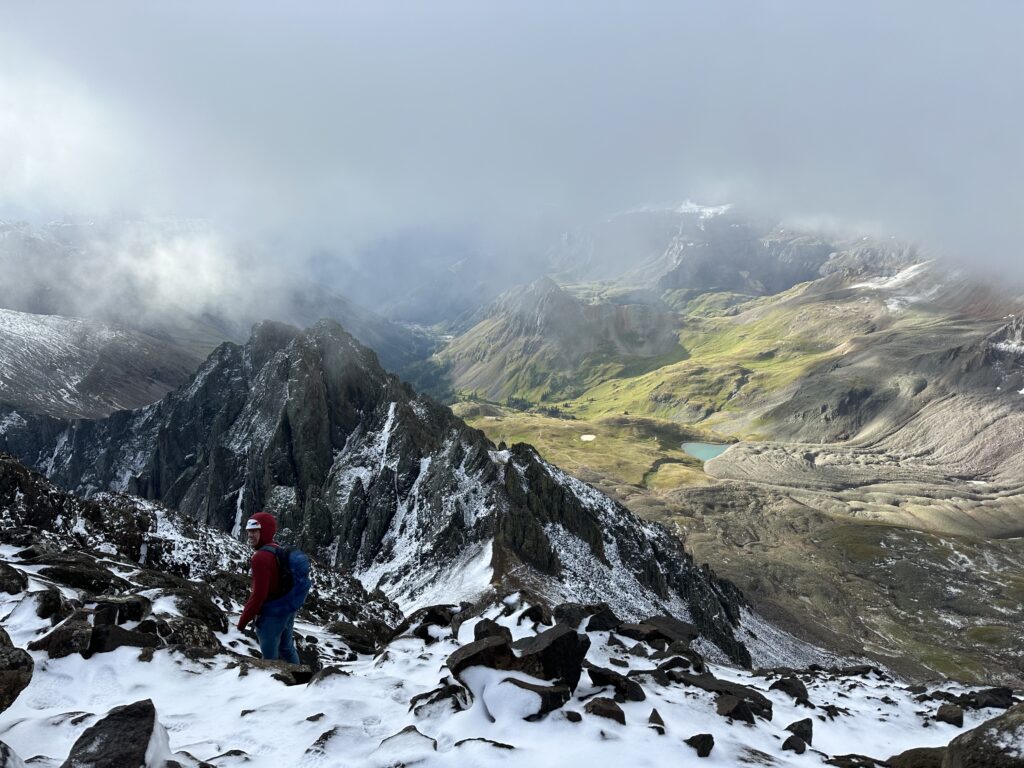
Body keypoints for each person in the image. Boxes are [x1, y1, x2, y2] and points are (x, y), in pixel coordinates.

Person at [237, 511, 300, 664]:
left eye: (254, 531)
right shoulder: (277, 549)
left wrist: (241, 624)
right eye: (248, 531)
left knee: (269, 660)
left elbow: (258, 596)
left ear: (264, 531)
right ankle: (301, 682)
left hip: (271, 615)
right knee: (287, 648)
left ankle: (272, 686)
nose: (250, 535)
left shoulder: (260, 557)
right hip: (287, 608)